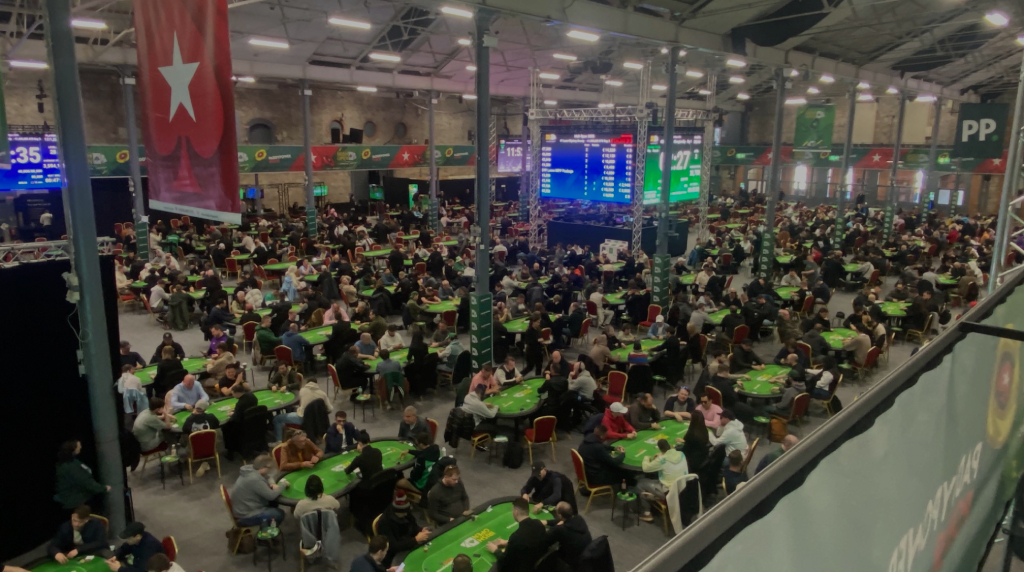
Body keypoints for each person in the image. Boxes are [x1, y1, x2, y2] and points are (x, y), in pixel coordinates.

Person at [486, 497, 548, 572]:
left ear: (516, 512)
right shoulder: (539, 524)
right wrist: (507, 543)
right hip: (535, 561)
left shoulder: (516, 537)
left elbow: (505, 561)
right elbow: (528, 541)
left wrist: (495, 550)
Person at [638, 438, 689, 522]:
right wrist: (661, 455)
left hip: (669, 492)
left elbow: (646, 468)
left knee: (641, 483)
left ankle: (647, 514)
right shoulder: (681, 454)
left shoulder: (661, 460)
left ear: (660, 448)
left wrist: (646, 458)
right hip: (684, 488)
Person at [229, 455, 288, 526]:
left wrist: (272, 484)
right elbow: (271, 496)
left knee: (274, 502)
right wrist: (283, 485)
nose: (270, 469)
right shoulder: (254, 479)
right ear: (262, 468)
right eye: (269, 468)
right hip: (246, 515)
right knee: (279, 514)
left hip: (246, 507)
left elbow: (268, 476)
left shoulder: (252, 469)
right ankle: (266, 531)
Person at [376, 490, 430, 567]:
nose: (406, 514)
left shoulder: (406, 513)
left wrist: (420, 530)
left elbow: (413, 526)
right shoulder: (384, 523)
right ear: (397, 511)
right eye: (404, 512)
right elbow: (393, 546)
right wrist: (415, 540)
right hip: (395, 554)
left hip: (409, 543)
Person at [54, 440, 110, 512]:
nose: (80, 447)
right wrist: (104, 488)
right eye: (78, 446)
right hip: (76, 502)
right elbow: (86, 482)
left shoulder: (71, 462)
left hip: (76, 498)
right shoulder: (70, 467)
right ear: (73, 450)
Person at [543, 501, 592, 569]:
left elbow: (545, 539)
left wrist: (554, 528)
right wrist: (547, 522)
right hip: (586, 557)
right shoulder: (579, 518)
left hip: (571, 562)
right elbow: (562, 520)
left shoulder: (561, 529)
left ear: (560, 515)